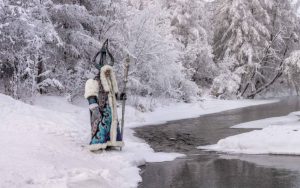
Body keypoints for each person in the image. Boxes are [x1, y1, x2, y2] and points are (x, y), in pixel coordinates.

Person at [84, 50, 126, 151]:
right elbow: (91, 96)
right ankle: (97, 145)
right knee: (100, 128)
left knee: (111, 126)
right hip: (100, 110)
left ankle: (110, 143)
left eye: (109, 72)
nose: (108, 74)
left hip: (111, 111)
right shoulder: (94, 81)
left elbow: (114, 96)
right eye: (106, 72)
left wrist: (121, 96)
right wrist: (95, 109)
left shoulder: (111, 84)